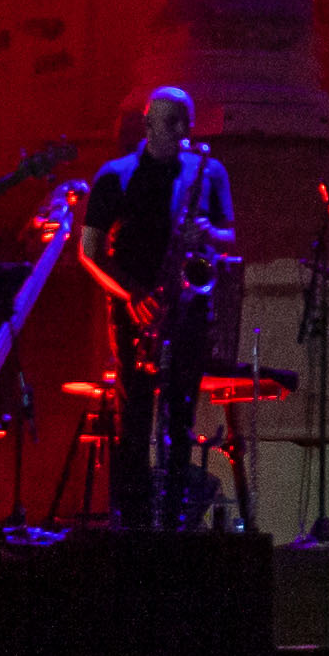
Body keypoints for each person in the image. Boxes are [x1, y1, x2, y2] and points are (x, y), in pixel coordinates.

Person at [84, 86, 239, 531]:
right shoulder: (116, 175)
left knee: (181, 420)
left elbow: (230, 238)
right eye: (170, 122)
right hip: (136, 314)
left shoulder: (209, 172)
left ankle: (172, 526)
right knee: (133, 423)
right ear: (148, 123)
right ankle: (130, 525)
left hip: (188, 312)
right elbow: (90, 251)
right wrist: (133, 296)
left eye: (185, 122)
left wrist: (207, 232)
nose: (180, 132)